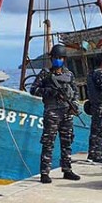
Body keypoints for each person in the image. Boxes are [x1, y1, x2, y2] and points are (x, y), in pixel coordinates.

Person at [30, 44, 81, 184]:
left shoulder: (69, 75)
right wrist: (49, 91)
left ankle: (67, 169)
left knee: (67, 141)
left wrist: (74, 106)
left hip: (66, 111)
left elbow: (75, 93)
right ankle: (44, 173)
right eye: (55, 57)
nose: (57, 60)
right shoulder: (45, 74)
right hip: (52, 112)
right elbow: (33, 90)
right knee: (48, 143)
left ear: (64, 59)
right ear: (51, 58)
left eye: (60, 58)